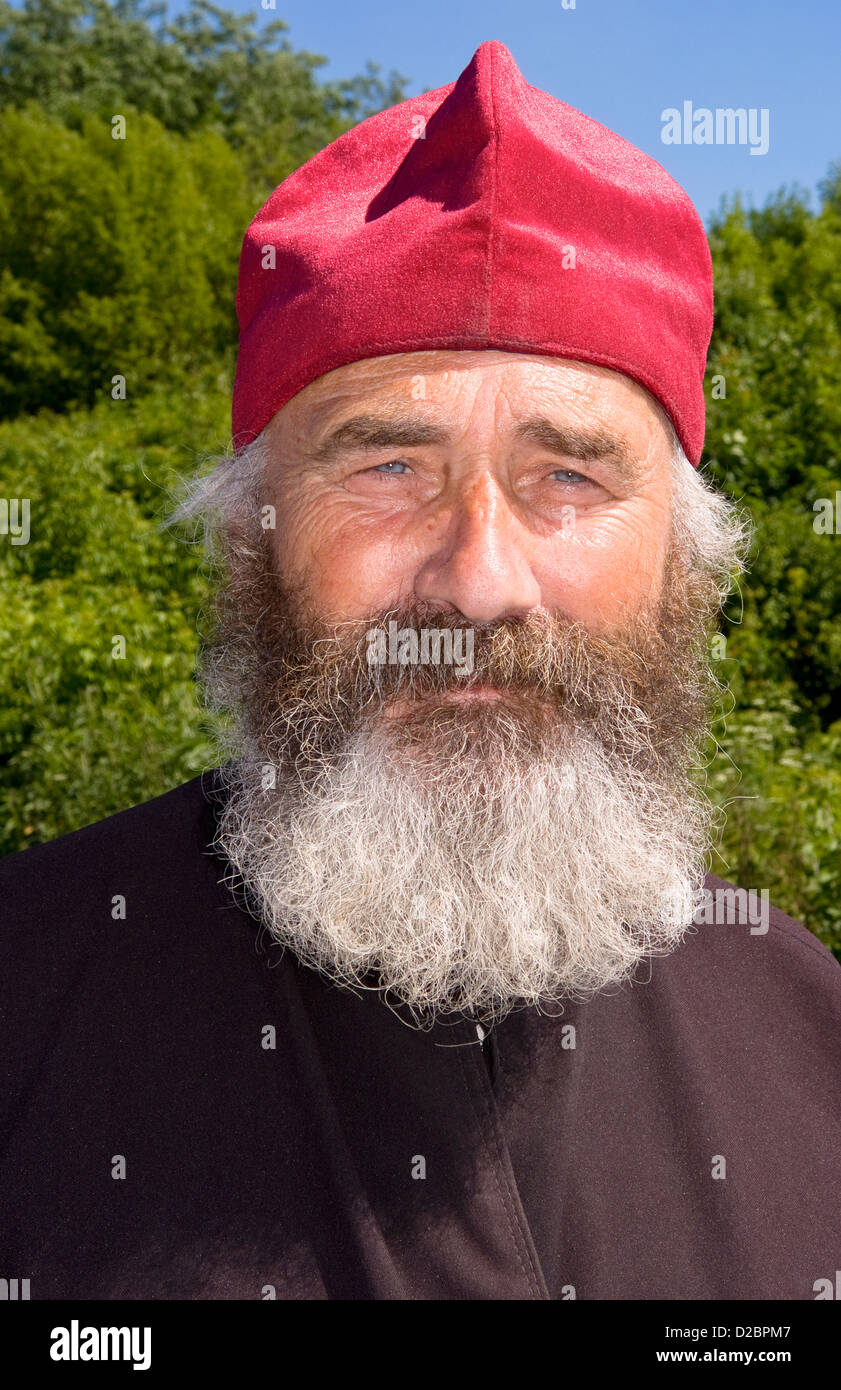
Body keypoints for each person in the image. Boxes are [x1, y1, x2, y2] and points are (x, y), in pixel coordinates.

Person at [1, 39, 839, 1301]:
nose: (479, 579)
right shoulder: (25, 996)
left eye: (571, 476)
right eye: (388, 469)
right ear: (250, 539)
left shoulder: (804, 1028)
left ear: (686, 566)